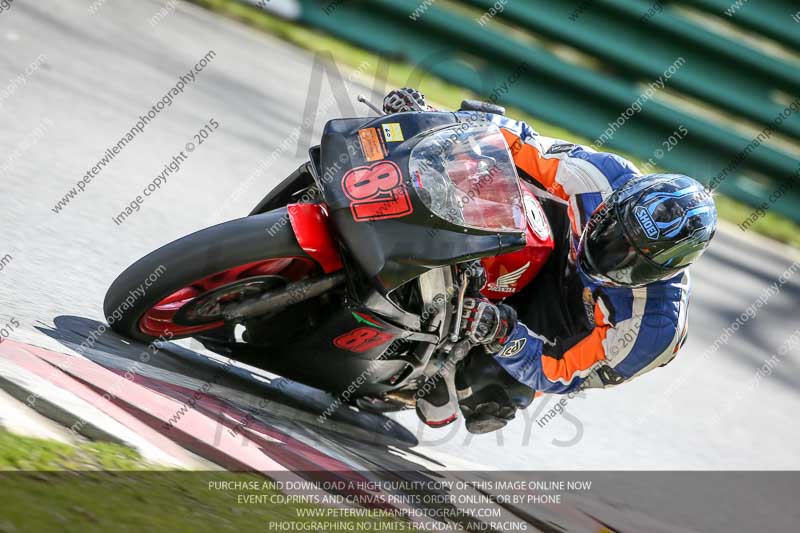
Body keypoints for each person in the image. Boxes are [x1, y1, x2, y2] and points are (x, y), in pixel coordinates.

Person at [382, 88, 718, 434]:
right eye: (615, 234)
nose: (615, 256)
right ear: (613, 203)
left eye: (637, 263)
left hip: (560, 322)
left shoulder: (652, 329)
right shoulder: (602, 177)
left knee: (490, 386)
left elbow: (562, 370)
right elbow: (517, 141)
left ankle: (438, 371)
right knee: (478, 172)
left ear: (667, 272)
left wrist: (502, 334)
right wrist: (431, 118)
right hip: (544, 235)